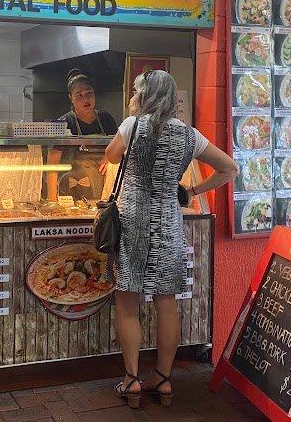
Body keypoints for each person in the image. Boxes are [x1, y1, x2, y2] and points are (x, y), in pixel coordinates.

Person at [104, 70, 238, 408]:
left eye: (136, 91)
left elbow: (111, 155)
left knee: (128, 301)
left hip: (132, 220)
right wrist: (192, 190)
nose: (132, 96)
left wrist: (132, 122)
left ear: (145, 95)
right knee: (166, 302)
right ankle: (163, 379)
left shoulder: (132, 125)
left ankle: (131, 380)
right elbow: (229, 169)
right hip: (168, 221)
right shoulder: (190, 135)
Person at [46, 69, 118, 202]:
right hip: (73, 189)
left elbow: (120, 147)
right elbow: (52, 165)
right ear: (71, 98)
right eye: (79, 95)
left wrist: (109, 156)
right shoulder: (64, 123)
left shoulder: (105, 118)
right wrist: (52, 200)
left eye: (89, 93)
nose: (86, 99)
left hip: (104, 186)